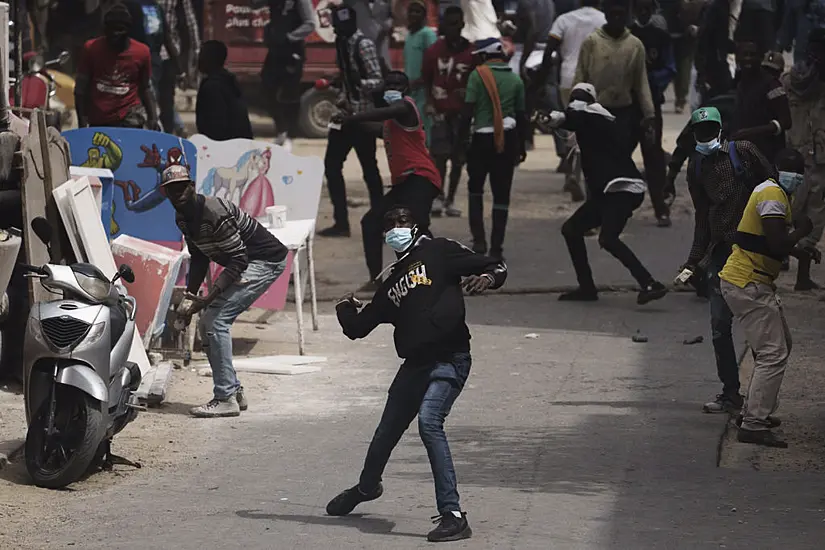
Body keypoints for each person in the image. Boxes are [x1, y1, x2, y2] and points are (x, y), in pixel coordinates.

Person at [325, 205, 507, 543]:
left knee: (429, 422)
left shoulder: (438, 251)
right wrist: (344, 308)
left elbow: (493, 264)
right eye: (390, 223)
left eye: (403, 222)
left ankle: (453, 515)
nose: (396, 227)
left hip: (450, 358)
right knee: (385, 434)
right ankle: (366, 488)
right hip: (415, 366)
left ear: (416, 225)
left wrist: (489, 278)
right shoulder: (391, 281)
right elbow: (358, 328)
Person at [164, 164, 289, 418]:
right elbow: (199, 255)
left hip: (264, 260)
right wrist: (190, 296)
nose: (177, 194)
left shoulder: (213, 212)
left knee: (216, 320)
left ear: (191, 186)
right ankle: (232, 391)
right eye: (171, 190)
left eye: (181, 188)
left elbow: (239, 260)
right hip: (244, 261)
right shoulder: (182, 216)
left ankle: (225, 398)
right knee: (205, 323)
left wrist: (208, 298)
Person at [719, 148, 818, 448]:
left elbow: (764, 243)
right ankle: (752, 424)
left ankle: (755, 411)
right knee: (773, 352)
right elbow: (776, 244)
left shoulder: (772, 193)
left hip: (749, 281)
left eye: (800, 171)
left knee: (778, 346)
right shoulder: (773, 195)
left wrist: (800, 250)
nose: (797, 176)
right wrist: (802, 230)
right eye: (793, 170)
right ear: (777, 169)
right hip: (747, 283)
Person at [681, 106, 776, 415]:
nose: (705, 135)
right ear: (694, 134)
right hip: (723, 253)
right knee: (720, 326)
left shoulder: (743, 152)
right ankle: (731, 393)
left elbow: (773, 185)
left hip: (753, 250)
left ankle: (764, 403)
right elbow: (702, 219)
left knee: (760, 329)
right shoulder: (695, 167)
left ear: (720, 130)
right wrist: (693, 261)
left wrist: (779, 236)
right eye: (700, 131)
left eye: (710, 130)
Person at [548, 83, 668, 303]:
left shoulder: (593, 116)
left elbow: (577, 116)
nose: (576, 101)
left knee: (608, 238)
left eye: (579, 98)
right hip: (609, 193)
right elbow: (577, 119)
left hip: (622, 189)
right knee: (571, 230)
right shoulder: (598, 120)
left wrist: (558, 118)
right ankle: (587, 288)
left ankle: (651, 283)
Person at [332, 70, 443, 290]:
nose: (393, 88)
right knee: (372, 223)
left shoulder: (406, 107)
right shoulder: (393, 123)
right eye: (389, 84)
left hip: (421, 177)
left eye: (397, 84)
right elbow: (373, 127)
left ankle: (439, 275)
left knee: (416, 229)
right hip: (405, 182)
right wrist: (349, 115)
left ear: (406, 89)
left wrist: (352, 117)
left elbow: (383, 113)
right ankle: (376, 282)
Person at [574, 0, 669, 228]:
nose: (617, 18)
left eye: (621, 14)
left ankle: (659, 208)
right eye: (613, 13)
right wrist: (576, 109)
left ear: (626, 14)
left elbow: (641, 83)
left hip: (625, 111)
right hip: (598, 110)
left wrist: (649, 115)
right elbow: (580, 77)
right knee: (597, 163)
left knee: (643, 158)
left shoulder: (634, 45)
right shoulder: (592, 42)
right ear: (605, 13)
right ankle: (594, 212)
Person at [318, 4, 385, 239]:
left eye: (339, 27)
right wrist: (339, 86)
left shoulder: (362, 44)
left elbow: (378, 80)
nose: (336, 31)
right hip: (346, 115)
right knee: (331, 165)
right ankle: (341, 222)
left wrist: (359, 83)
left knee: (369, 169)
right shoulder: (342, 43)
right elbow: (346, 77)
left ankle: (382, 221)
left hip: (363, 116)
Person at [460, 38, 528, 261]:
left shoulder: (476, 76)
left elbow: (467, 112)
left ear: (483, 56)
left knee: (475, 190)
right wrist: (521, 145)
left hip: (481, 139)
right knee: (501, 195)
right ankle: (497, 248)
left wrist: (460, 144)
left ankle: (479, 241)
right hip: (507, 140)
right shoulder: (515, 80)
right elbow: (521, 117)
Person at [534, 0, 605, 198]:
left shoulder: (564, 20)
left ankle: (572, 175)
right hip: (594, 80)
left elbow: (549, 53)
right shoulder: (604, 20)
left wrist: (540, 81)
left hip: (568, 79)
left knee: (572, 127)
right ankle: (586, 176)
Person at [782, 28, 825, 291]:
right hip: (804, 155)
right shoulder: (794, 81)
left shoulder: (791, 79)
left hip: (807, 155)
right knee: (805, 213)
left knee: (805, 213)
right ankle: (791, 266)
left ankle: (800, 275)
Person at [423, 5, 476, 218]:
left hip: (463, 115)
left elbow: (477, 81)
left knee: (458, 159)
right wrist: (428, 102)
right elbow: (426, 79)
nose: (452, 28)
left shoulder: (472, 53)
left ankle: (451, 199)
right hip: (440, 111)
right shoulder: (434, 51)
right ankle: (437, 196)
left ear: (462, 24)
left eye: (456, 24)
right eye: (448, 23)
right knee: (438, 157)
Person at [75, 3, 159, 130]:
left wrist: (153, 118)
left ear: (128, 30)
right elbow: (80, 89)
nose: (115, 34)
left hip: (129, 117)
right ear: (105, 29)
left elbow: (145, 87)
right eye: (112, 29)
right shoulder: (91, 49)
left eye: (120, 29)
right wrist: (82, 121)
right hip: (99, 119)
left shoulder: (141, 52)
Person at [630, 0, 677, 227]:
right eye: (640, 7)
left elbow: (670, 68)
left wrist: (649, 83)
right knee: (618, 153)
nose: (644, 11)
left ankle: (660, 207)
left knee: (652, 156)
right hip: (626, 106)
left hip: (651, 106)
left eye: (648, 7)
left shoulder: (660, 36)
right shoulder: (626, 35)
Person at [262, 0, 315, 151]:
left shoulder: (300, 2)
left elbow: (310, 23)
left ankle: (290, 136)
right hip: (275, 51)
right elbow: (254, 4)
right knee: (266, 88)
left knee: (290, 94)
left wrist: (290, 37)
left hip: (293, 51)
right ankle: (281, 130)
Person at [729, 42, 791, 164]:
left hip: (767, 155)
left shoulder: (771, 85)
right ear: (737, 58)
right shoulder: (739, 84)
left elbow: (786, 121)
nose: (748, 58)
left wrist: (750, 132)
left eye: (752, 55)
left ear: (760, 58)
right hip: (741, 155)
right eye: (744, 54)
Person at [195, 40, 254, 141]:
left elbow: (215, 128)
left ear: (210, 59)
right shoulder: (228, 81)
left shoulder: (212, 87)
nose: (198, 60)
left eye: (202, 55)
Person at [157, 0, 200, 134]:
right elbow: (190, 20)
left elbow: (189, 19)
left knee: (157, 94)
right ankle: (173, 127)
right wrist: (196, 48)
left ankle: (172, 126)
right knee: (166, 96)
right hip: (170, 51)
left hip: (152, 49)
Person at [404, 0, 438, 144]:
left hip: (424, 90)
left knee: (426, 128)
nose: (413, 14)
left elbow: (434, 62)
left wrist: (422, 80)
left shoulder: (427, 34)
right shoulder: (409, 36)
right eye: (411, 11)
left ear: (424, 15)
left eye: (418, 11)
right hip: (410, 91)